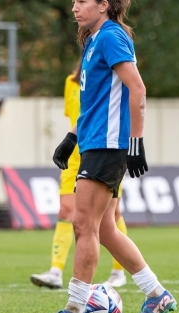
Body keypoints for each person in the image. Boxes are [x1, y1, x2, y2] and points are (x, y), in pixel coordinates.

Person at [33, 0, 176, 313]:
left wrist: (136, 142)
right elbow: (94, 102)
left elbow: (137, 89)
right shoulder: (94, 40)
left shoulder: (111, 36)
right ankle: (157, 295)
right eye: (73, 2)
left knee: (83, 225)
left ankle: (73, 311)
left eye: (81, 1)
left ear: (103, 5)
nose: (74, 8)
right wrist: (72, 136)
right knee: (106, 229)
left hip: (110, 146)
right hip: (94, 142)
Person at [30, 63, 130, 290]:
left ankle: (118, 271)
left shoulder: (112, 78)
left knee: (112, 215)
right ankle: (55, 271)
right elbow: (78, 117)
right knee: (66, 210)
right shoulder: (71, 82)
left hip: (104, 150)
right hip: (75, 155)